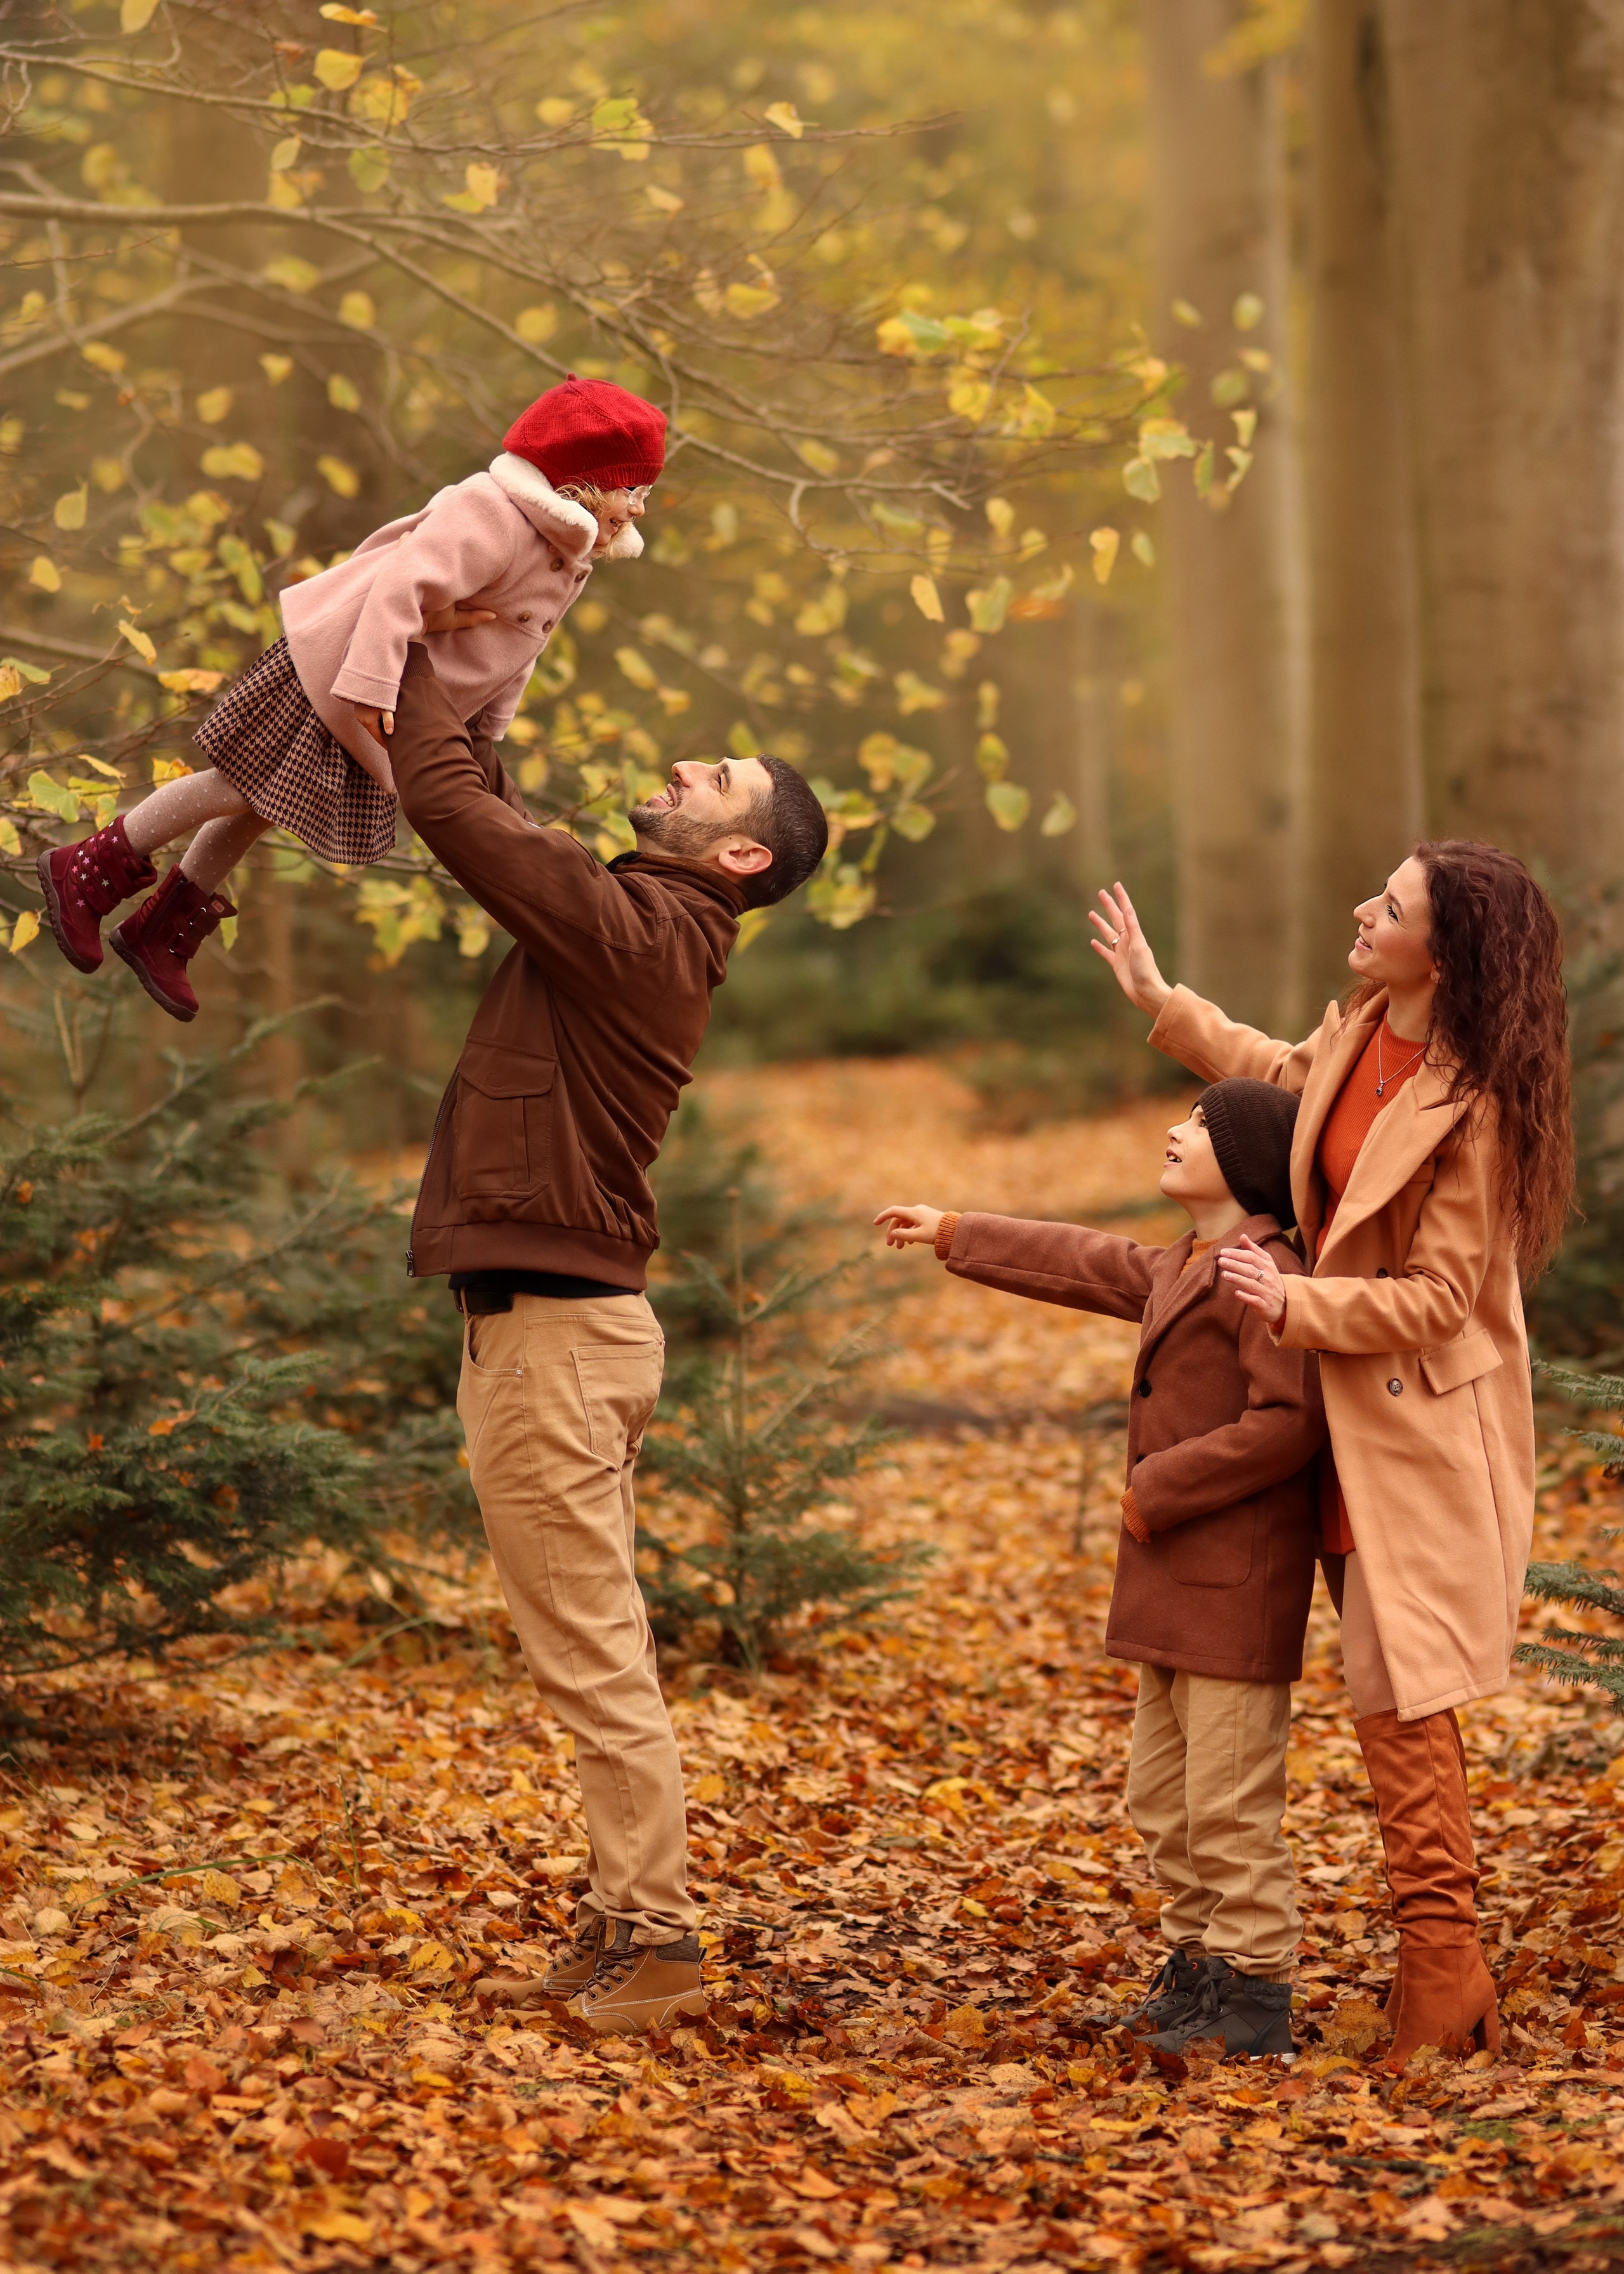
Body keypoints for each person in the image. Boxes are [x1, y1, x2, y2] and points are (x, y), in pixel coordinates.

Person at [384, 641, 827, 2036]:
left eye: (722, 777)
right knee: (589, 1645)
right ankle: (623, 1919)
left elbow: (464, 818)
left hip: (559, 1344)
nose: (690, 764)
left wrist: (399, 652)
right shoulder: (635, 920)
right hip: (548, 1335)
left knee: (591, 1657)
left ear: (741, 855)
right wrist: (464, 693)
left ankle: (663, 1945)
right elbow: (503, 820)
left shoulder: (648, 932)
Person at [1090, 844, 1573, 2066]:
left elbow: (1443, 1296)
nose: (1364, 910)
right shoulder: (1361, 1033)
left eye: (1392, 906)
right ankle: (1418, 1972)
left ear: (1446, 953)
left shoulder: (1481, 1103)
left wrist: (1297, 1305)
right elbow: (1275, 1077)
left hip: (1407, 1432)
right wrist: (1163, 998)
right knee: (1384, 1702)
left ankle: (1443, 1972)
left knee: (1402, 1706)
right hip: (1324, 1412)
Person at [875, 1077, 1325, 2061]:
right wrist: (956, 1231)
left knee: (1229, 1802)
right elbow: (1084, 1260)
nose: (1175, 1129)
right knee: (1163, 1798)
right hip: (1173, 1589)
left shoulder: (1266, 1273)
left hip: (1233, 1589)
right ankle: (1200, 1968)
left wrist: (1158, 1487)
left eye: (1201, 1127)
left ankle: (1255, 1995)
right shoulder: (1185, 1261)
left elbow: (1290, 1422)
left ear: (1247, 1166)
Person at [36, 375, 663, 1022]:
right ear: (576, 480)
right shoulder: (492, 514)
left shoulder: (569, 550)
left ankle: (162, 924)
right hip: (348, 665)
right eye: (631, 490)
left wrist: (487, 725)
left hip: (390, 686)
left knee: (261, 802)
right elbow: (400, 587)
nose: (640, 508)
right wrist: (368, 682)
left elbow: (520, 647)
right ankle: (87, 866)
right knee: (239, 786)